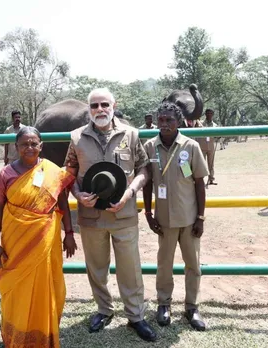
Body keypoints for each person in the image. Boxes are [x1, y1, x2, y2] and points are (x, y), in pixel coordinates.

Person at [63, 87, 157, 342]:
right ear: (89, 109)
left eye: (104, 104)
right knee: (96, 267)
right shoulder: (76, 137)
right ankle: (104, 310)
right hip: (91, 216)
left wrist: (129, 193)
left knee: (130, 267)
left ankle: (136, 316)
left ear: (114, 105)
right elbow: (68, 173)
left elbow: (143, 170)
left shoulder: (131, 134)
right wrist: (77, 194)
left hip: (124, 213)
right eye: (94, 106)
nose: (100, 110)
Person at [0, 126, 77, 347]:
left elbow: (63, 203)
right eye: (24, 144)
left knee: (46, 285)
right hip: (15, 240)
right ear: (16, 147)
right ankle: (16, 334)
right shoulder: (5, 174)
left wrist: (69, 233)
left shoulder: (52, 171)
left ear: (41, 146)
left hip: (46, 238)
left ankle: (43, 334)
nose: (29, 148)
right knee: (17, 287)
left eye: (33, 144)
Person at [143, 101, 209, 331]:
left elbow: (199, 182)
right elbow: (148, 181)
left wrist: (200, 218)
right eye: (161, 120)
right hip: (164, 220)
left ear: (179, 121)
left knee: (193, 264)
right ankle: (164, 304)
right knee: (164, 264)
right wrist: (149, 213)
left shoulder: (190, 147)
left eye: (169, 120)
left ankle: (192, 307)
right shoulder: (150, 147)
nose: (164, 124)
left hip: (189, 219)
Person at [180, 109, 218, 186]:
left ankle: (208, 179)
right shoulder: (182, 123)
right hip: (184, 146)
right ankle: (190, 180)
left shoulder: (197, 123)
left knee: (208, 164)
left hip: (198, 146)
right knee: (185, 162)